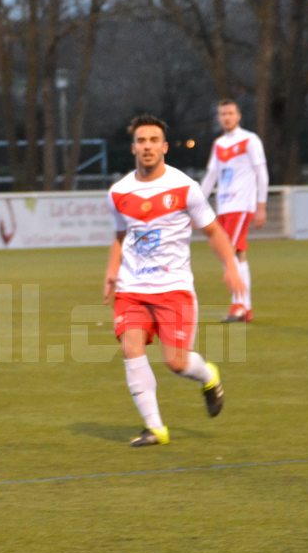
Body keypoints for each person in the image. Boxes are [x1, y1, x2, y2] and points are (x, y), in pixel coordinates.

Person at [104, 115, 244, 448]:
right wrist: (112, 271)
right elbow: (120, 235)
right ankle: (155, 428)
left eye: (154, 140)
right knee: (130, 347)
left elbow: (212, 231)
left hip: (174, 289)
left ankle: (208, 377)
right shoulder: (119, 192)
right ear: (133, 147)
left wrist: (231, 266)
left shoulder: (185, 188)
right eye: (141, 140)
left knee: (176, 363)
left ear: (164, 147)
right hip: (132, 289)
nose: (147, 146)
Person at [199, 100, 268, 322]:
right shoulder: (219, 144)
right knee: (235, 255)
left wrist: (261, 205)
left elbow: (261, 173)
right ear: (219, 118)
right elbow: (211, 176)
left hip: (242, 204)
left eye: (230, 113)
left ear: (238, 116)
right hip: (225, 206)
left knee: (229, 252)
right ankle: (245, 308)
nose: (226, 117)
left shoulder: (250, 139)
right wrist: (196, 205)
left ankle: (239, 305)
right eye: (222, 114)